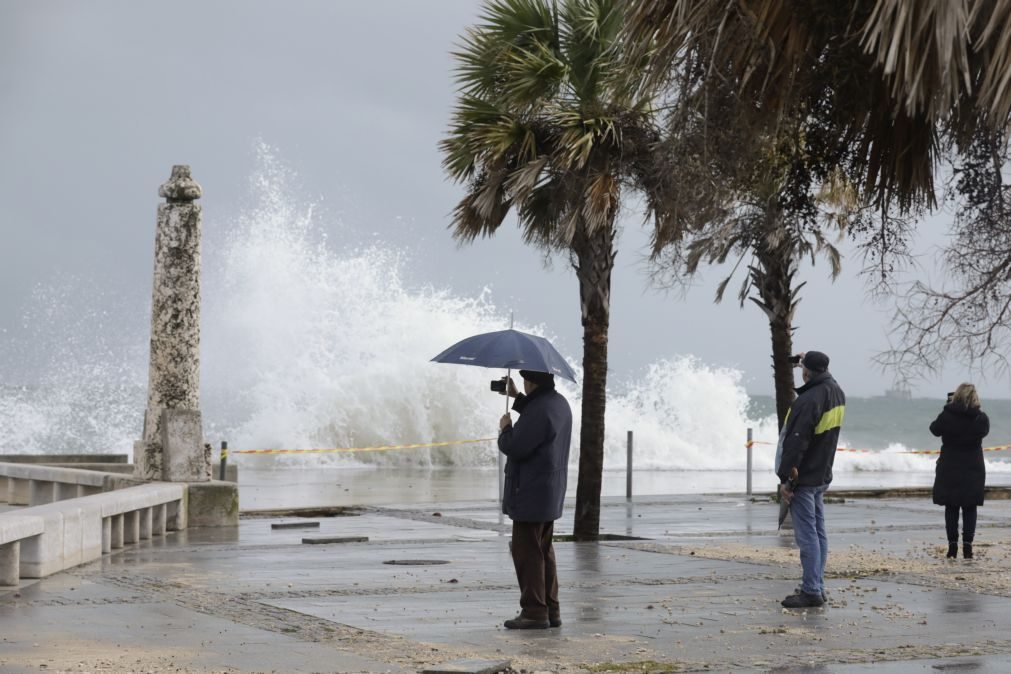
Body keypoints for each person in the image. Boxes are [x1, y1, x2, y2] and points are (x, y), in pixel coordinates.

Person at [497, 369, 572, 629]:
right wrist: (517, 397)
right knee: (543, 551)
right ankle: (551, 609)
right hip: (548, 490)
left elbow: (516, 446)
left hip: (530, 490)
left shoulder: (540, 409)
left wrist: (505, 430)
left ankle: (533, 612)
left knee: (527, 552)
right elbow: (537, 419)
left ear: (531, 381)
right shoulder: (558, 403)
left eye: (525, 382)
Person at [777, 351, 846, 609]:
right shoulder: (836, 391)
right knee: (818, 532)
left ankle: (811, 591)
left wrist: (787, 479)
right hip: (821, 472)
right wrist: (807, 359)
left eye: (802, 367)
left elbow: (796, 442)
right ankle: (817, 584)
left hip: (804, 476)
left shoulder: (808, 400)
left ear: (806, 372)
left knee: (807, 537)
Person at [930, 383, 989, 560]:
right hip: (973, 466)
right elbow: (984, 431)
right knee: (970, 507)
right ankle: (968, 547)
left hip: (950, 464)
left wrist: (949, 407)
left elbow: (934, 429)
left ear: (955, 396)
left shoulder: (947, 415)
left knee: (951, 506)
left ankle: (952, 547)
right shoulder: (980, 418)